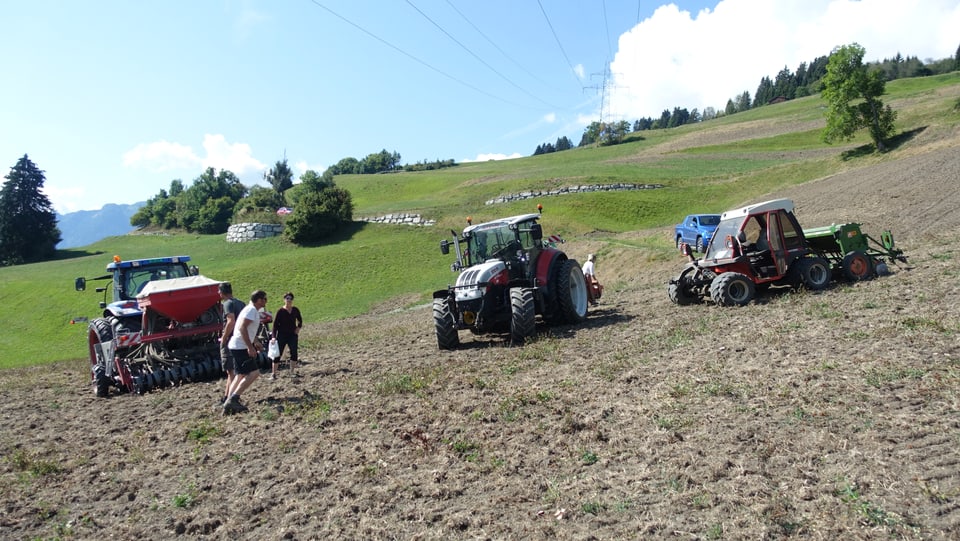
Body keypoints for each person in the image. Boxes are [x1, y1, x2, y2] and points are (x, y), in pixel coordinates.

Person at [223, 290, 268, 415]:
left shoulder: (249, 309)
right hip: (240, 347)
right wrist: (250, 347)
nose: (266, 301)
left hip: (236, 345)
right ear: (259, 300)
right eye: (265, 299)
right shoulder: (251, 310)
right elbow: (242, 327)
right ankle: (234, 399)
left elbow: (246, 329)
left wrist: (255, 341)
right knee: (254, 373)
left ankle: (228, 402)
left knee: (240, 375)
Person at [218, 282, 245, 407]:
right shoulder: (241, 303)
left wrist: (224, 338)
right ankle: (228, 397)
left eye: (219, 292)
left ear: (222, 292)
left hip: (230, 340)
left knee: (231, 371)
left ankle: (229, 398)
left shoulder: (227, 304)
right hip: (240, 340)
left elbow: (231, 321)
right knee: (235, 371)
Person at [271, 292, 303, 379]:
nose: (289, 300)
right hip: (282, 335)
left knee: (294, 353)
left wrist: (298, 328)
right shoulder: (280, 311)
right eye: (287, 298)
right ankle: (273, 374)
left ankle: (291, 372)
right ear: (284, 300)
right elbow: (275, 326)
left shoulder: (295, 310)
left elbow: (300, 320)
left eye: (290, 299)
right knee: (278, 354)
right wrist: (273, 337)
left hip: (292, 335)